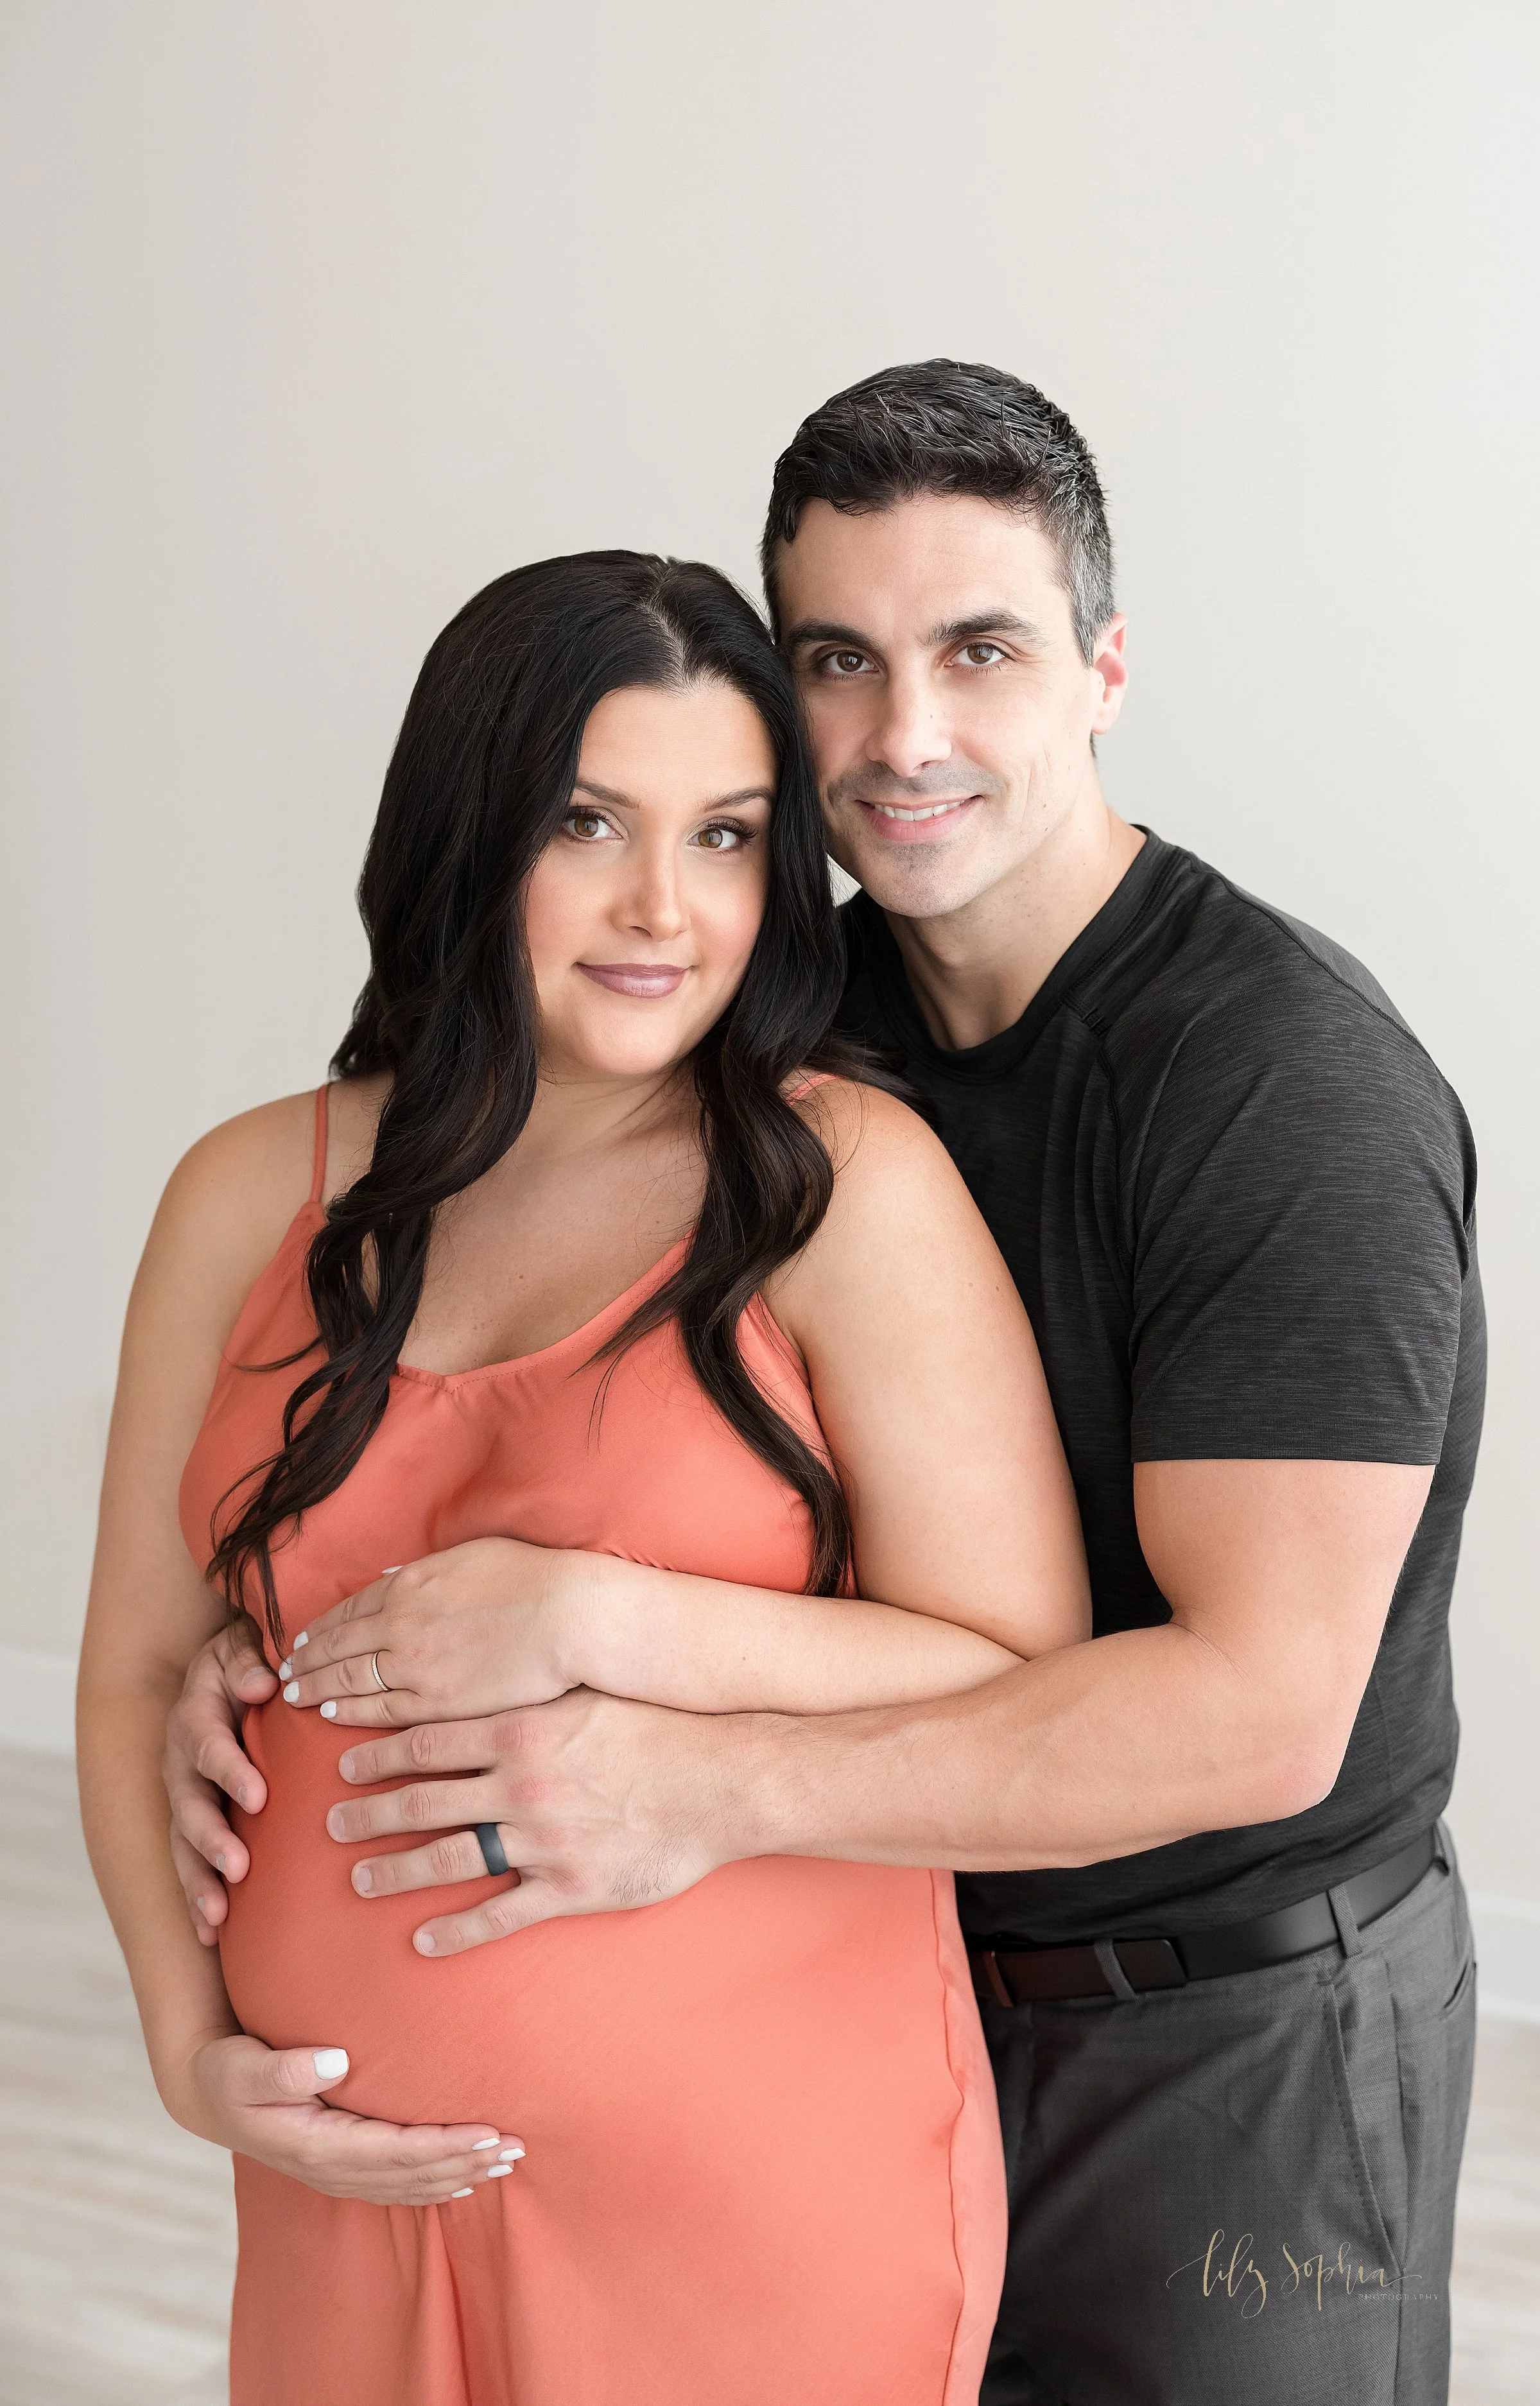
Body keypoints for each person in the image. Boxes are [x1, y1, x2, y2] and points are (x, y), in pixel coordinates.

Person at [167, 367, 1485, 2406]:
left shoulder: (1277, 1084)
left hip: (1220, 2031)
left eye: (981, 649)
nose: (906, 735)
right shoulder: (779, 1020)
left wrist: (688, 1768)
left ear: (1106, 666)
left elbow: (1258, 1711)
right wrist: (260, 1644)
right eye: (839, 663)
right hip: (895, 1969)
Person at [78, 549, 1093, 2406]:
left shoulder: (835, 1187)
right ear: (469, 835)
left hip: (760, 2210)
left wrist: (604, 1614)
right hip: (342, 2205)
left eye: (723, 836)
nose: (661, 907)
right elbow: (141, 1664)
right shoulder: (248, 1191)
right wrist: (180, 2042)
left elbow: (1016, 1665)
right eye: (588, 823)